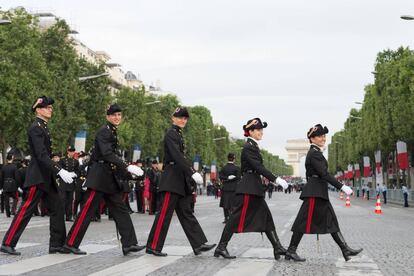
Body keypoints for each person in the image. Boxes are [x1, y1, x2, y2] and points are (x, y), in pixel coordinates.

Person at [63, 104, 145, 256]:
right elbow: (107, 154)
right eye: (113, 115)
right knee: (87, 211)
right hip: (100, 177)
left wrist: (127, 172)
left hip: (108, 178)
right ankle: (70, 243)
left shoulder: (112, 132)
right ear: (107, 117)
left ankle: (129, 243)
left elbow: (112, 158)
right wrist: (127, 166)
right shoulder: (104, 131)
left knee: (121, 211)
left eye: (119, 115)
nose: (117, 117)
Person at [1, 96, 77, 255]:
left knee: (57, 208)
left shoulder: (43, 126)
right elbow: (41, 155)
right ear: (38, 109)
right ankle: (8, 242)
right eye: (47, 108)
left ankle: (57, 244)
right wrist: (60, 170)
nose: (51, 110)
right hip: (38, 176)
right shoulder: (36, 127)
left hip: (46, 176)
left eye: (50, 108)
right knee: (26, 209)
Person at [285, 124, 362, 262]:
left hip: (318, 192)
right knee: (303, 221)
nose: (323, 138)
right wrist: (342, 186)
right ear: (312, 139)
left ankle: (345, 249)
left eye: (324, 136)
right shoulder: (314, 154)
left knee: (331, 220)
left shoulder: (315, 152)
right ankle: (291, 250)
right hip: (315, 192)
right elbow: (324, 173)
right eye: (320, 136)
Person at [214, 118, 288, 260]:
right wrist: (276, 179)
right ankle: (221, 247)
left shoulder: (253, 146)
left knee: (266, 217)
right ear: (251, 131)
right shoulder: (248, 147)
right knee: (235, 218)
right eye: (259, 130)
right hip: (248, 188)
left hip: (254, 187)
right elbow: (258, 167)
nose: (261, 132)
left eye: (261, 130)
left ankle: (277, 247)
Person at [146, 107, 215, 257]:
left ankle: (198, 244)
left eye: (185, 118)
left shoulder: (178, 134)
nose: (183, 120)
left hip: (178, 180)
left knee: (186, 212)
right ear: (173, 118)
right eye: (180, 117)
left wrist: (189, 173)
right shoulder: (171, 134)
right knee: (164, 214)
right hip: (171, 179)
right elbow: (177, 156)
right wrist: (191, 171)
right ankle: (153, 246)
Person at [58, 146, 80, 222]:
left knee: (70, 200)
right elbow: (59, 170)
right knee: (62, 199)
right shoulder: (62, 160)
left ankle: (69, 216)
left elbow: (78, 171)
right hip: (64, 182)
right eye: (70, 151)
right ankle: (61, 215)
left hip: (71, 182)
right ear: (68, 151)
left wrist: (75, 175)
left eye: (73, 151)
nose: (72, 152)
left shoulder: (76, 161)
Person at [218, 153, 241, 223]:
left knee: (225, 204)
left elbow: (220, 176)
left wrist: (227, 178)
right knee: (233, 204)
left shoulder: (224, 168)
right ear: (234, 159)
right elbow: (239, 178)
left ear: (227, 158)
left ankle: (226, 218)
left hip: (225, 188)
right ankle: (233, 217)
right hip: (234, 188)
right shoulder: (237, 168)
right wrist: (232, 178)